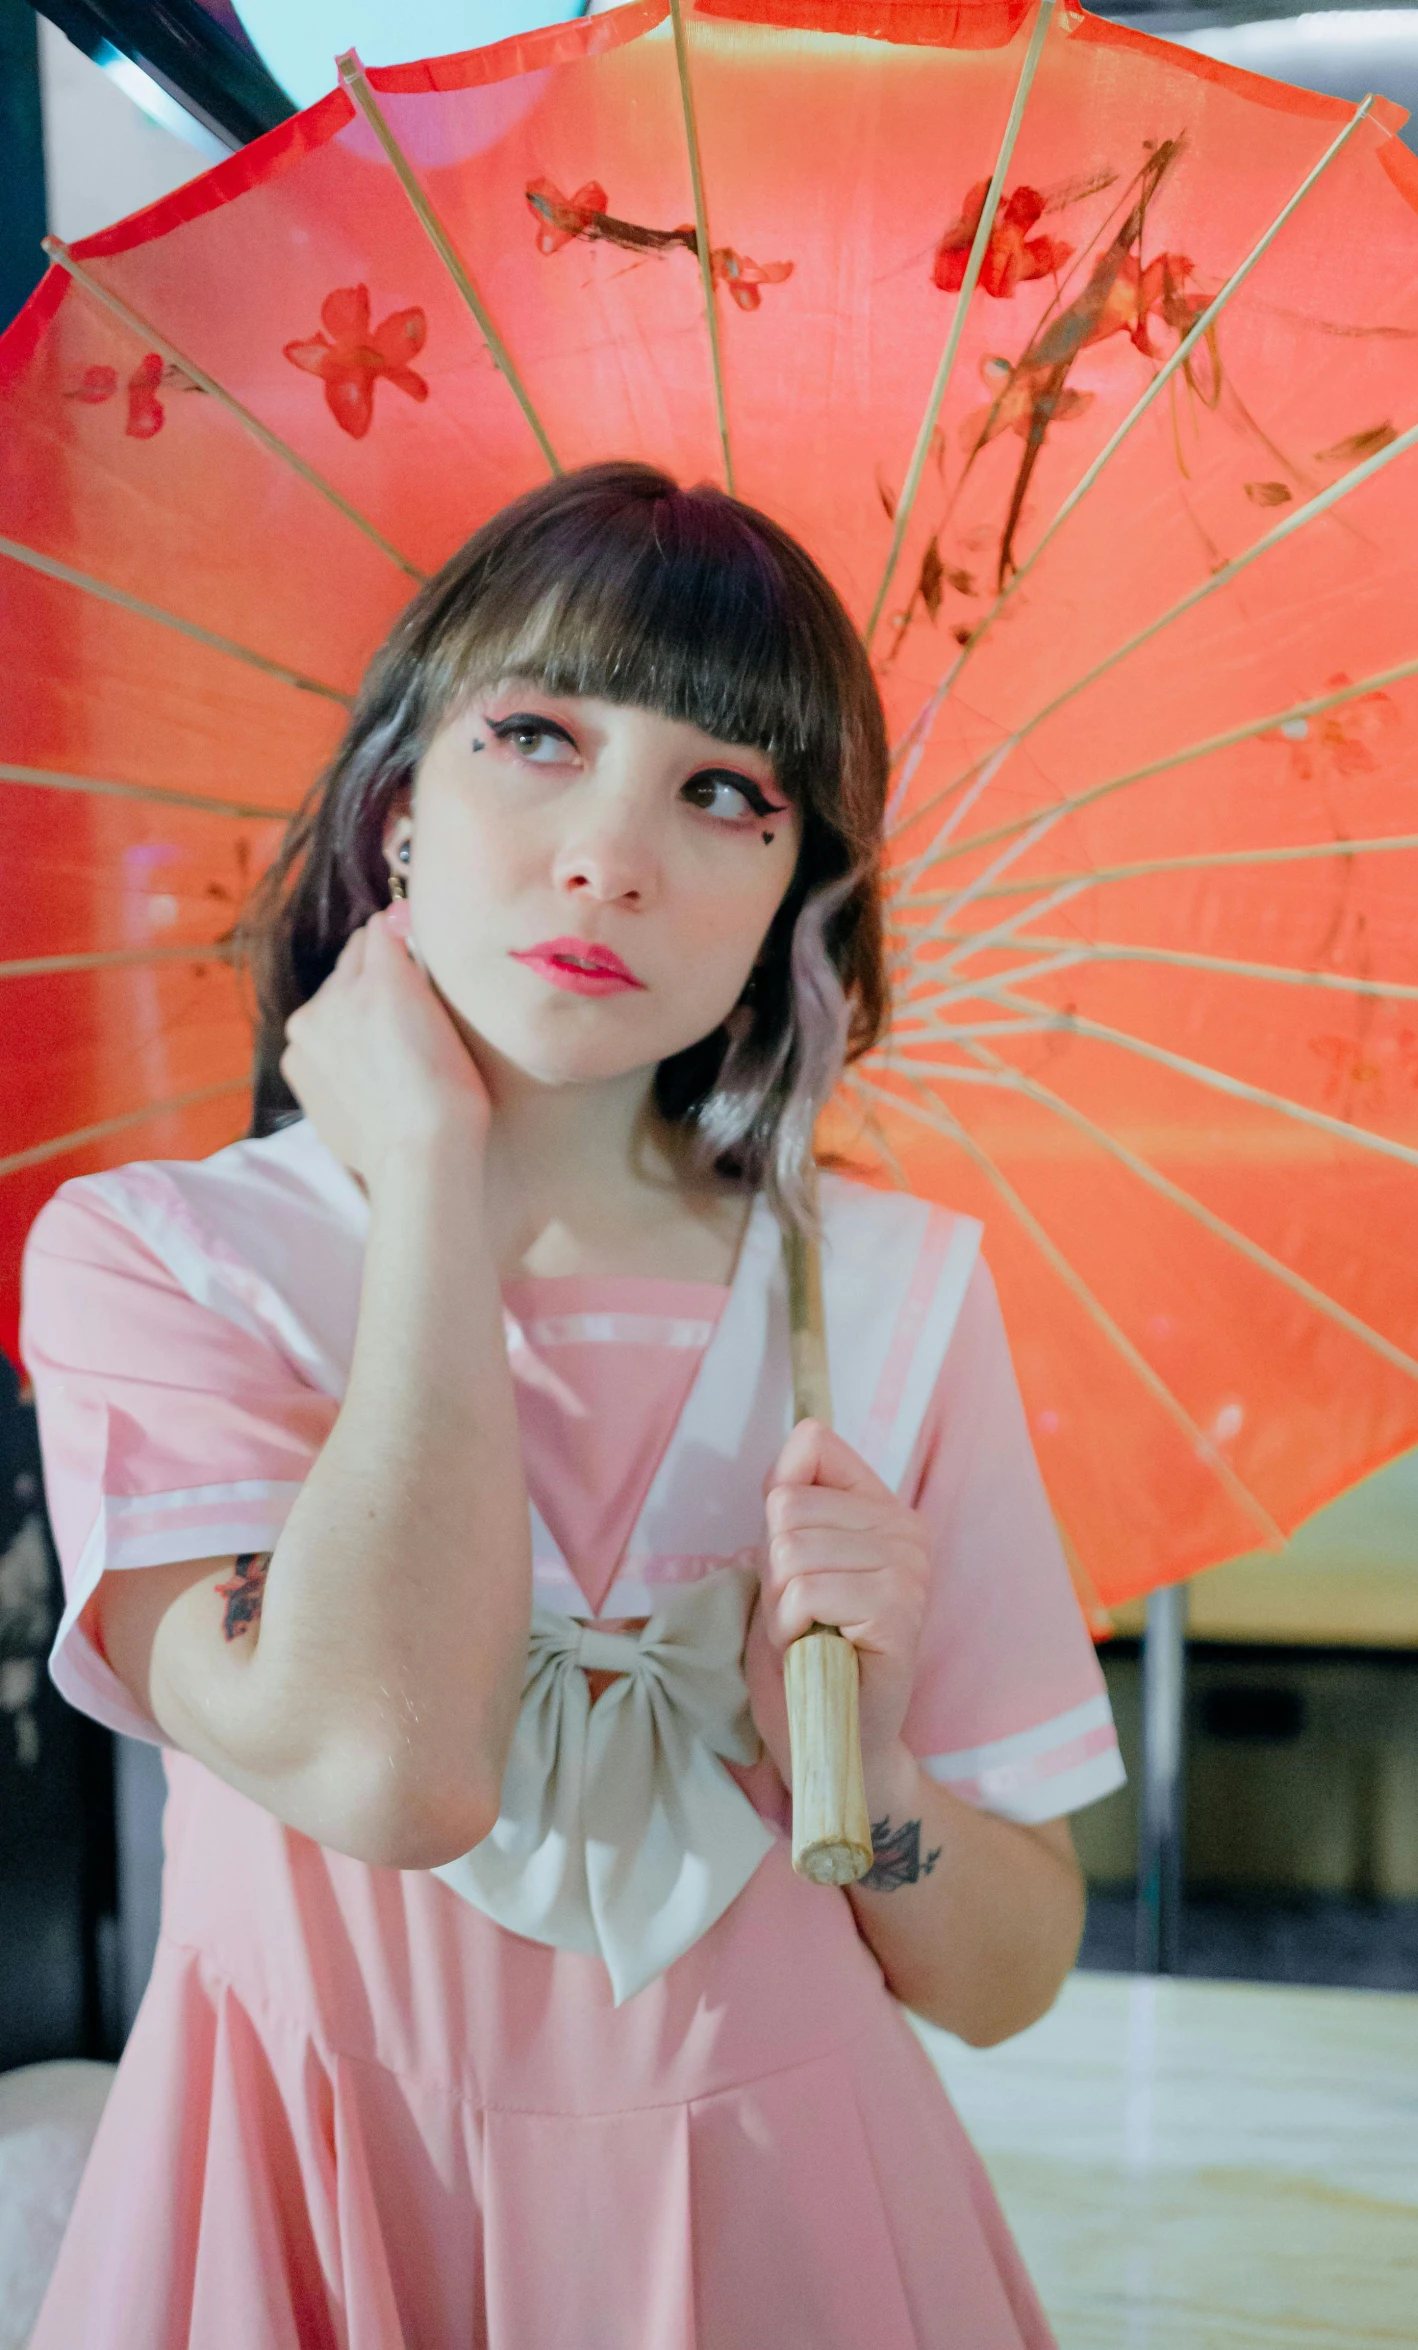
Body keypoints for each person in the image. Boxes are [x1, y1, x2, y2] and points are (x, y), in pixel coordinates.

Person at [21, 462, 1125, 2348]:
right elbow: (388, 1767)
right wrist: (435, 1185)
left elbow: (1004, 1969)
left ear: (799, 891)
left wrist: (869, 1774)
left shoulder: (883, 1294)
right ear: (398, 810)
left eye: (724, 792)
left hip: (790, 2213)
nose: (611, 853)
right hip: (316, 2185)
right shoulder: (161, 1262)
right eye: (536, 733)